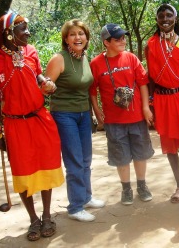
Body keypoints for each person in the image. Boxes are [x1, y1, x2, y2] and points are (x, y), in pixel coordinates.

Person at [0, 13, 64, 240]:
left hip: (40, 119)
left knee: (47, 166)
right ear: (8, 33)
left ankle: (47, 216)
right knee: (22, 172)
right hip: (15, 124)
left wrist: (46, 84)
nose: (28, 33)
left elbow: (38, 76)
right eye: (23, 29)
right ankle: (33, 220)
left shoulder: (30, 51)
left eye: (27, 29)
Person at [45, 19, 105, 222]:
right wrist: (47, 86)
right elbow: (45, 87)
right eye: (72, 34)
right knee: (74, 161)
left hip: (83, 114)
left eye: (81, 33)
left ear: (86, 37)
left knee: (86, 159)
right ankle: (75, 206)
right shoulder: (59, 59)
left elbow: (88, 88)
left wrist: (95, 110)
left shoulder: (84, 57)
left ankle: (86, 197)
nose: (77, 37)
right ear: (66, 38)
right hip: (64, 115)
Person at [90, 23, 154, 206]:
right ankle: (126, 188)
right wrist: (96, 109)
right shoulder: (96, 64)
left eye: (124, 37)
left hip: (136, 117)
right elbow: (92, 90)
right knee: (121, 155)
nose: (122, 41)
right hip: (113, 120)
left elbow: (142, 83)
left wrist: (145, 108)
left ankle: (142, 185)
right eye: (117, 39)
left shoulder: (131, 58)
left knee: (140, 153)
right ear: (106, 42)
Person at [145, 4, 179, 203]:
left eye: (169, 15)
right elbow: (150, 76)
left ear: (176, 19)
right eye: (161, 16)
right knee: (169, 144)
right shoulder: (150, 44)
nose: (165, 19)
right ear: (157, 20)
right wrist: (150, 103)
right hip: (162, 100)